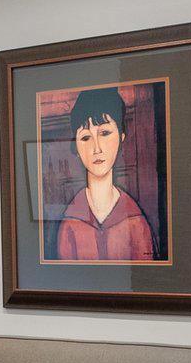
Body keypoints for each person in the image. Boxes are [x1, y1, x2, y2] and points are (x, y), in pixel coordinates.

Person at [54, 85, 156, 261]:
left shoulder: (136, 221)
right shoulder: (69, 223)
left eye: (105, 133)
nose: (97, 148)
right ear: (76, 147)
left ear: (121, 137)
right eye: (86, 137)